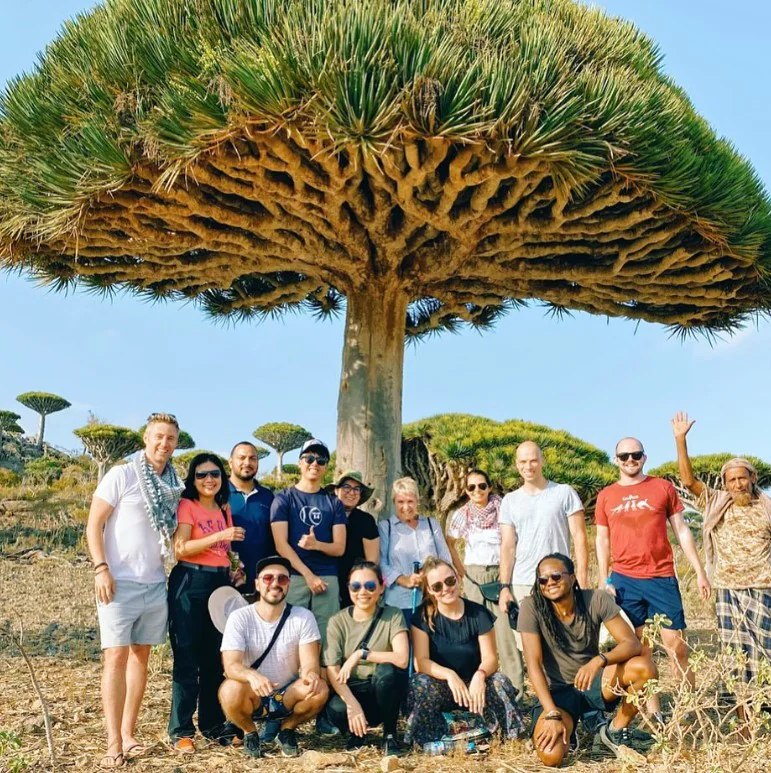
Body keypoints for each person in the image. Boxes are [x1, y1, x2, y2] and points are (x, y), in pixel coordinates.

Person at [86, 412, 182, 769]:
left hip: (155, 583)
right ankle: (113, 743)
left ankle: (129, 734)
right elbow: (94, 524)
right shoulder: (122, 474)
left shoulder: (174, 485)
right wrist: (101, 568)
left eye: (170, 438)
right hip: (118, 582)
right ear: (146, 438)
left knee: (141, 657)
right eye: (158, 436)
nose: (164, 443)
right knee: (115, 657)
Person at [595, 435, 711, 722]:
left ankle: (688, 708)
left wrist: (699, 571)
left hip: (661, 577)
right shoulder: (606, 495)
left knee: (677, 646)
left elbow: (682, 530)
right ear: (616, 460)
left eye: (636, 455)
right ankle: (654, 711)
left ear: (644, 457)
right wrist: (603, 579)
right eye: (624, 456)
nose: (630, 460)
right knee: (639, 647)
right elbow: (601, 538)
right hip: (624, 579)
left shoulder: (662, 487)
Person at [518, 553, 657, 766]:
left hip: (593, 681)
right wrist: (552, 713)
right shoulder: (531, 607)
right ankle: (569, 728)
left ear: (572, 578)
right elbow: (534, 665)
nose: (549, 583)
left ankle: (614, 731)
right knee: (550, 756)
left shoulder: (596, 599)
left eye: (556, 576)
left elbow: (632, 643)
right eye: (543, 580)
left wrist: (599, 661)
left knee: (645, 668)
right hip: (558, 693)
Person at [672, 412, 771, 690]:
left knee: (765, 654)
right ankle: (742, 717)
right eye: (731, 480)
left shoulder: (766, 507)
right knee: (736, 656)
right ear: (724, 483)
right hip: (728, 589)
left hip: (763, 588)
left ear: (753, 478)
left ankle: (763, 710)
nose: (737, 484)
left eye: (742, 478)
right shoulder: (716, 502)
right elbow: (689, 482)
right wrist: (681, 440)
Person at [167, 453, 245, 752]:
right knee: (187, 657)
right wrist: (222, 535)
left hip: (219, 583)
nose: (209, 479)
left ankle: (212, 725)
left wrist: (233, 566)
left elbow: (222, 550)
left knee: (215, 658)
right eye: (201, 475)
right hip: (190, 583)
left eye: (214, 473)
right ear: (193, 479)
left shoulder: (223, 509)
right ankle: (181, 730)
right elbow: (181, 548)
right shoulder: (188, 505)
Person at [405, 557, 525, 749]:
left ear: (458, 578)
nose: (446, 588)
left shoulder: (478, 613)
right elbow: (421, 662)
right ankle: (428, 738)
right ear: (429, 590)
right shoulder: (421, 617)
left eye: (450, 581)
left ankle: (511, 736)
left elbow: (491, 659)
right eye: (437, 586)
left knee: (500, 681)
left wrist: (480, 675)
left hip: (474, 688)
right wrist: (449, 675)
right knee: (419, 683)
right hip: (442, 687)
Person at [218, 555, 329, 758]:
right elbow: (231, 666)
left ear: (288, 585)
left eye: (282, 579)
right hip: (253, 694)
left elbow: (310, 663)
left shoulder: (303, 617)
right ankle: (250, 732)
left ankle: (286, 730)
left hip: (286, 694)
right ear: (257, 584)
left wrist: (311, 674)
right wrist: (252, 676)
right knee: (229, 689)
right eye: (268, 578)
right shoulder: (239, 617)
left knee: (318, 689)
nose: (275, 584)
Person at [446, 468, 523, 695]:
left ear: (489, 487)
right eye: (471, 487)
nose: (477, 491)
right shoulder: (462, 514)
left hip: (500, 575)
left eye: (481, 485)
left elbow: (513, 542)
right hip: (474, 576)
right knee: (477, 633)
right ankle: (481, 689)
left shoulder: (504, 509)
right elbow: (449, 542)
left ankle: (514, 689)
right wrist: (461, 572)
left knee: (505, 634)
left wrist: (506, 575)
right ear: (466, 491)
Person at [324, 561, 409, 754]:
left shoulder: (392, 615)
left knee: (387, 672)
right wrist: (352, 704)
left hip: (383, 689)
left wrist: (361, 654)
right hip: (353, 690)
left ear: (381, 587)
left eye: (370, 586)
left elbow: (402, 658)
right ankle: (358, 734)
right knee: (336, 708)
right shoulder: (337, 621)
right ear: (348, 588)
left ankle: (389, 734)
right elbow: (332, 668)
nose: (363, 592)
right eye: (356, 586)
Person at [498, 441, 588, 617]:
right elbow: (507, 546)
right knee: (527, 642)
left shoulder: (564, 492)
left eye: (533, 460)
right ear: (516, 464)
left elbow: (580, 537)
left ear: (542, 461)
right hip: (523, 582)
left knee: (564, 639)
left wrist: (582, 580)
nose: (528, 466)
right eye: (523, 462)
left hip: (558, 580)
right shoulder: (510, 500)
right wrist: (504, 587)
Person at [270, 438, 346, 640]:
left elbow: (339, 548)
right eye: (309, 458)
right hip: (295, 575)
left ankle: (321, 672)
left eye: (320, 460)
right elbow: (280, 544)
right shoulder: (283, 499)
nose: (314, 463)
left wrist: (317, 545)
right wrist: (308, 575)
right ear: (299, 463)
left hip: (327, 577)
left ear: (326, 467)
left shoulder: (334, 503)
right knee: (290, 633)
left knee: (327, 634)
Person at [379, 477, 453, 622]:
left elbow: (445, 557)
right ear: (394, 502)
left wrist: (428, 576)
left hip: (434, 597)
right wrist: (403, 580)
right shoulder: (385, 527)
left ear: (417, 501)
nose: (406, 507)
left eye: (410, 501)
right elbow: (380, 563)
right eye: (401, 502)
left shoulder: (431, 524)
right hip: (399, 601)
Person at [326, 470, 379, 608]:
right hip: (326, 581)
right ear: (336, 490)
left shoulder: (366, 520)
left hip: (356, 585)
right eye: (346, 487)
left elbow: (372, 560)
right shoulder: (324, 516)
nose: (352, 492)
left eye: (357, 489)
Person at [228, 441, 275, 591]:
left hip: (262, 581)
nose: (247, 463)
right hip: (227, 578)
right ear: (230, 462)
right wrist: (234, 565)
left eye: (253, 458)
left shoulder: (268, 497)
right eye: (241, 458)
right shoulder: (218, 494)